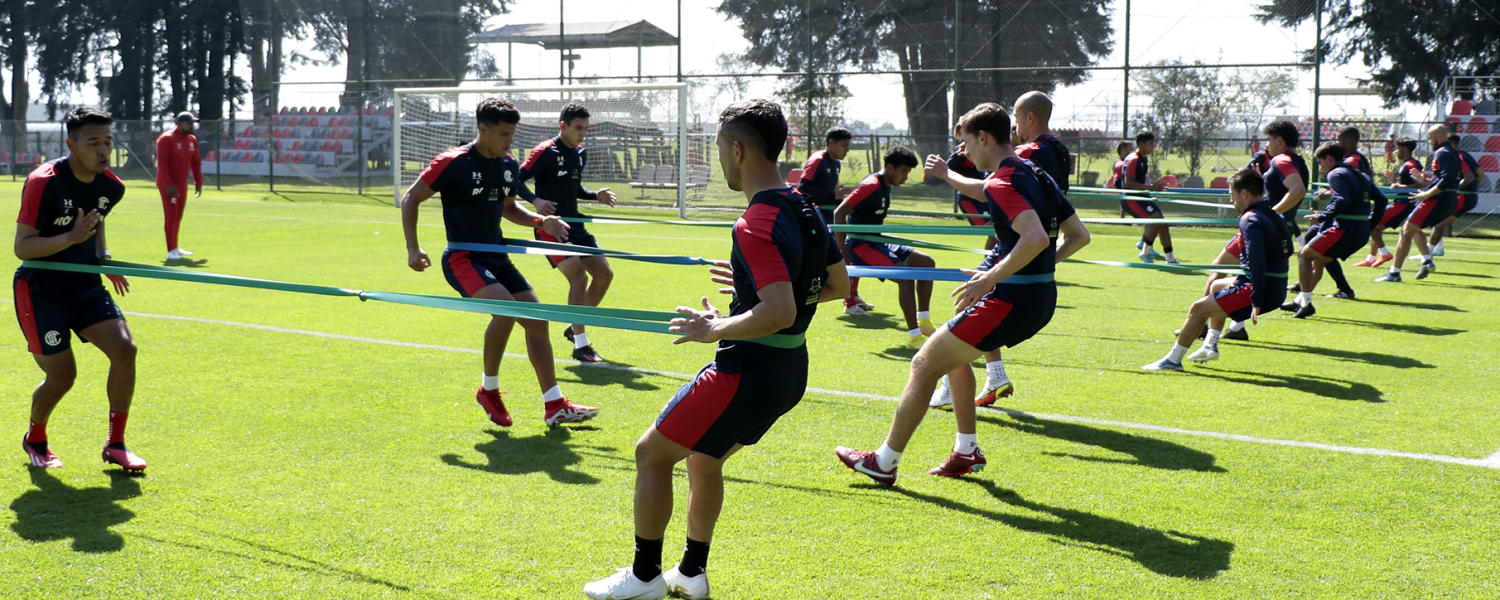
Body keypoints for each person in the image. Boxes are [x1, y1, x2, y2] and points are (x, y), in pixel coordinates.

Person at [584, 99, 848, 600]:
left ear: (738, 149)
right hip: (789, 372)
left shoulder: (753, 222)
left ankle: (643, 579)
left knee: (651, 454)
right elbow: (836, 284)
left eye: (718, 148)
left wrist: (716, 326)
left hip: (746, 370)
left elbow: (781, 311)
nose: (719, 158)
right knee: (704, 460)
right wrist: (755, 286)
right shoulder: (806, 207)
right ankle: (691, 574)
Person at [834, 102, 1090, 485]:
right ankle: (966, 450)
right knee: (952, 349)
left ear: (984, 137)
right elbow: (1079, 236)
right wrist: (1024, 271)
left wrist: (994, 277)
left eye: (967, 144)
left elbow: (1035, 237)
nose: (965, 153)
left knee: (923, 364)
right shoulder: (1032, 172)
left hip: (1011, 302)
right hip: (1037, 298)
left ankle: (884, 462)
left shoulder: (1004, 181)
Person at [400, 98, 598, 428]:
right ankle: (488, 389)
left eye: (513, 134)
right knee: (506, 311)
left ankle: (555, 405)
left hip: (497, 256)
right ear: (483, 128)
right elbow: (412, 197)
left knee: (537, 320)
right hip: (463, 257)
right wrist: (413, 249)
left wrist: (541, 222)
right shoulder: (453, 161)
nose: (510, 141)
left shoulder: (508, 165)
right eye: (504, 133)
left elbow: (508, 208)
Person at [14, 107, 146, 472]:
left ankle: (115, 444)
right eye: (93, 142)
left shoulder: (111, 186)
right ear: (72, 144)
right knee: (63, 376)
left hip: (85, 286)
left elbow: (95, 219)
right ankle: (35, 437)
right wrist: (70, 237)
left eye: (108, 142)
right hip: (41, 291)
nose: (104, 150)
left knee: (124, 349)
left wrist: (102, 255)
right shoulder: (44, 181)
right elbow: (23, 247)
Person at [932, 91, 1072, 409]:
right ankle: (989, 383)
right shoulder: (1058, 152)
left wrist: (1019, 263)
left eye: (1018, 117)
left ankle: (959, 407)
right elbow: (1075, 233)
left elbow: (996, 192)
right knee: (966, 307)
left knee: (940, 344)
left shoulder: (1026, 156)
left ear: (1029, 117)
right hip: (1030, 246)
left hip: (1019, 241)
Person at [1142, 168, 1291, 369]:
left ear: (1244, 193)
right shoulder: (1274, 214)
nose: (1232, 201)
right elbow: (1287, 249)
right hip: (1277, 285)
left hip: (1260, 288)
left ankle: (1172, 361)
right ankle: (1210, 345)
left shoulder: (1250, 219)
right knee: (1216, 286)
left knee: (1198, 308)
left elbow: (1257, 259)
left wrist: (1256, 297)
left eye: (1232, 195)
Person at [518, 103, 619, 364]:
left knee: (604, 275)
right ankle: (581, 345)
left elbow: (572, 189)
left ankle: (574, 326)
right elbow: (516, 179)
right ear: (563, 125)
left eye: (586, 128)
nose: (582, 133)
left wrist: (594, 195)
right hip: (552, 228)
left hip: (576, 226)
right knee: (578, 277)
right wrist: (536, 201)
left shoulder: (580, 153)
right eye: (578, 128)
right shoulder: (544, 151)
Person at [834, 146, 935, 347]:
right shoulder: (870, 185)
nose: (906, 178)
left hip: (876, 241)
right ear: (890, 167)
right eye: (904, 172)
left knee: (926, 263)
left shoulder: (885, 183)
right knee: (905, 279)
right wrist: (842, 253)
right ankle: (915, 337)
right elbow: (839, 213)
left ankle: (924, 321)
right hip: (860, 245)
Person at [1281, 143, 1372, 317]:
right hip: (1362, 229)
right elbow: (1380, 200)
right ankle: (1300, 301)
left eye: (1321, 163)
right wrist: (1369, 225)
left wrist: (1321, 217)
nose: (1321, 169)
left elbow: (1343, 200)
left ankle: (1306, 303)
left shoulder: (1335, 173)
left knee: (1304, 256)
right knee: (1319, 261)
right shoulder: (1359, 175)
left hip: (1345, 228)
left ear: (1330, 159)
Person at [801, 126, 872, 313]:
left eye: (848, 146)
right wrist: (832, 194)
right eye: (844, 145)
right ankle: (848, 300)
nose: (846, 150)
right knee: (843, 255)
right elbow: (802, 189)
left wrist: (839, 196)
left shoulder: (836, 164)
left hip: (832, 217)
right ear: (831, 143)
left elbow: (830, 193)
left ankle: (852, 295)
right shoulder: (817, 160)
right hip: (818, 218)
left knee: (849, 253)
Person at [1375, 124, 1459, 283]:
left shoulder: (1442, 153)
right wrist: (1426, 182)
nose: (1429, 141)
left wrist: (1428, 193)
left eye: (1430, 138)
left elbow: (1448, 180)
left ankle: (1394, 273)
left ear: (1437, 137)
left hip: (1438, 200)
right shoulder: (1452, 152)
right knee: (1411, 230)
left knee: (1406, 230)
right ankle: (1426, 261)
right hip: (1448, 199)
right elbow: (1445, 179)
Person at [1358, 138, 1424, 267]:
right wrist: (1394, 180)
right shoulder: (1408, 163)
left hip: (1404, 203)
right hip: (1402, 202)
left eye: (1398, 149)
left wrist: (1399, 187)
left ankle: (1384, 254)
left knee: (1372, 223)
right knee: (1376, 227)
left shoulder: (1410, 164)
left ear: (1405, 149)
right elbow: (1408, 183)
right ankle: (1371, 258)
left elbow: (1420, 183)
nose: (1396, 152)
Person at [1117, 131, 1178, 264]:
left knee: (1162, 224)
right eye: (1151, 144)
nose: (1153, 146)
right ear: (1141, 144)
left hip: (1142, 197)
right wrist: (1151, 187)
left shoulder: (1143, 158)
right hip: (1132, 199)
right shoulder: (1134, 159)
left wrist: (1151, 188)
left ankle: (1170, 258)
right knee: (1156, 220)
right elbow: (1128, 183)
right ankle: (1145, 252)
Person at [155, 111, 203, 261]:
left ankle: (175, 246)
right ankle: (171, 250)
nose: (191, 126)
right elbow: (161, 164)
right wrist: (168, 184)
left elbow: (195, 162)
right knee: (171, 215)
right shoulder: (167, 139)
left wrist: (198, 182)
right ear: (180, 123)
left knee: (178, 216)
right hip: (168, 183)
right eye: (189, 123)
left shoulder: (192, 140)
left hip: (182, 184)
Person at [1426, 133, 1483, 256]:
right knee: (1439, 221)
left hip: (1464, 196)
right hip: (1469, 195)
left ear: (1452, 144)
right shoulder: (1467, 155)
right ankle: (1437, 249)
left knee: (1439, 223)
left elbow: (1469, 177)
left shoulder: (1459, 157)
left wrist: (1455, 188)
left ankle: (1427, 254)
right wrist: (1473, 190)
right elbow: (1481, 175)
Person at [1260, 120, 1310, 244]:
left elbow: (1298, 190)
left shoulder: (1281, 160)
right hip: (1284, 227)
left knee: (1221, 262)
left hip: (1272, 227)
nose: (1267, 144)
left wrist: (1272, 214)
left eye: (1269, 139)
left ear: (1279, 140)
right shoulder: (1298, 161)